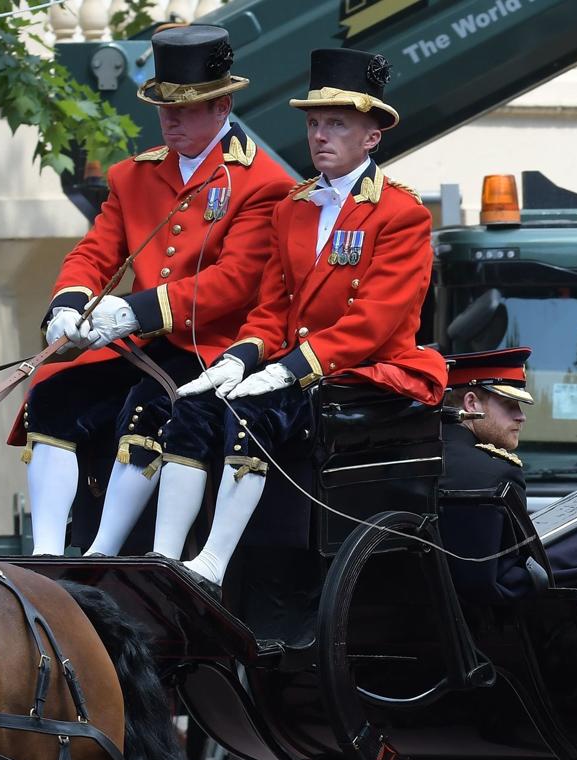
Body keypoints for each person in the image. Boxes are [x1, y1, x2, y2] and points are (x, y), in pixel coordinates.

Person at [91, 47, 447, 594]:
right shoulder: (293, 207)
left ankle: (212, 562)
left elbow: (375, 321)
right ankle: (164, 559)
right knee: (192, 403)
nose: (320, 135)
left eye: (337, 124)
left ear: (371, 137)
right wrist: (239, 357)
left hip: (362, 371)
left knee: (255, 409)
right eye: (314, 123)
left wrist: (287, 371)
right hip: (293, 362)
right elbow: (272, 308)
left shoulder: (401, 213)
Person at [12, 25, 294, 556]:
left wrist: (135, 310)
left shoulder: (263, 183)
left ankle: (104, 557)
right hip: (146, 345)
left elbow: (234, 282)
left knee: (144, 412)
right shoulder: (132, 175)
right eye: (164, 107)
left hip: (216, 349)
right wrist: (69, 301)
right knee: (51, 397)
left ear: (223, 105)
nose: (171, 119)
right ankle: (47, 557)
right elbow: (96, 252)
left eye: (186, 109)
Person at [439, 347, 533, 505]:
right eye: (509, 404)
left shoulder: (405, 462)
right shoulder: (500, 476)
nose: (521, 416)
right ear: (471, 403)